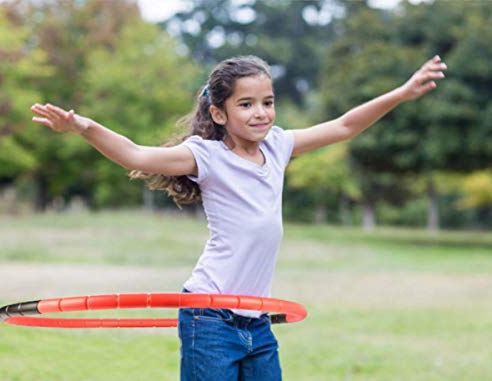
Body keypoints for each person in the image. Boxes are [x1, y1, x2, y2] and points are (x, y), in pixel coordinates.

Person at [30, 54, 447, 380]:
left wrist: (401, 92)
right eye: (246, 104)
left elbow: (342, 126)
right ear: (219, 114)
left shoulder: (280, 146)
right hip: (209, 316)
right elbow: (137, 155)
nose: (261, 113)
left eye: (267, 102)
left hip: (257, 318)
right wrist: (84, 127)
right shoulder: (207, 156)